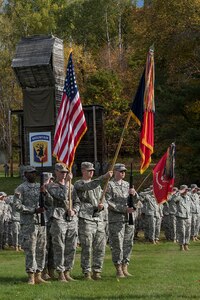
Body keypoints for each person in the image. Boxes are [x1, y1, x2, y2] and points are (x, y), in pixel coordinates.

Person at [74, 162, 112, 280]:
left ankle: (97, 270)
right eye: (89, 170)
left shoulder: (98, 186)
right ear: (83, 171)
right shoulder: (79, 183)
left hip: (98, 218)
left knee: (100, 246)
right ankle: (86, 271)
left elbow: (103, 199)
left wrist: (102, 206)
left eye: (92, 170)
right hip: (86, 218)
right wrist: (103, 177)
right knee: (87, 246)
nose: (91, 172)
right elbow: (88, 186)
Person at [13, 166, 48, 285]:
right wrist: (33, 210)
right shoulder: (21, 188)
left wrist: (45, 193)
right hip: (29, 223)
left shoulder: (40, 187)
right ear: (25, 174)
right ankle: (31, 276)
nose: (34, 175)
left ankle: (39, 274)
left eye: (35, 173)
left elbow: (50, 203)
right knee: (30, 250)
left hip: (41, 222)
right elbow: (17, 206)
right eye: (31, 173)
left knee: (41, 249)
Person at [46, 163, 80, 282]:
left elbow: (77, 202)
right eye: (62, 172)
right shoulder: (51, 186)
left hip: (71, 219)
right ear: (56, 172)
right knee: (59, 246)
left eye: (65, 172)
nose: (64, 174)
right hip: (58, 218)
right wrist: (67, 184)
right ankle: (59, 272)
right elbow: (61, 196)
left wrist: (74, 210)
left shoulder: (71, 186)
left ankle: (67, 271)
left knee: (71, 246)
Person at [105, 163, 139, 278]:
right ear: (114, 172)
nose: (122, 173)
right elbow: (108, 202)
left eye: (124, 171)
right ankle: (118, 268)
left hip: (129, 219)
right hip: (116, 219)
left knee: (128, 243)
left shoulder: (127, 185)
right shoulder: (109, 185)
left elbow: (136, 200)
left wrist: (134, 194)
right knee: (117, 244)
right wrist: (124, 209)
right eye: (120, 171)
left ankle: (125, 266)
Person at [174, 185, 192, 251]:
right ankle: (181, 245)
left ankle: (186, 245)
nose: (186, 191)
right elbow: (174, 200)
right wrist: (179, 192)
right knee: (182, 232)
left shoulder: (188, 197)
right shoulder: (178, 197)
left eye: (186, 190)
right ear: (181, 190)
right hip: (181, 217)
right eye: (185, 189)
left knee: (188, 232)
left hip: (188, 216)